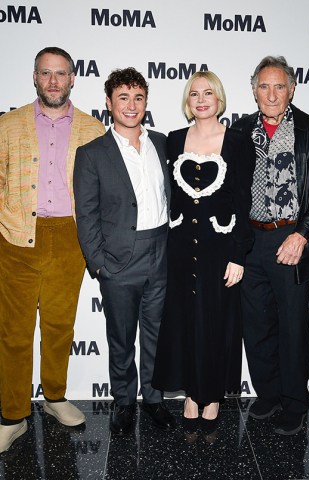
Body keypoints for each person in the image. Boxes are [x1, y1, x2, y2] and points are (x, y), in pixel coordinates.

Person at [0, 46, 105, 453]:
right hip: (16, 238)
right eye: (46, 73)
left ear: (73, 78)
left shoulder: (93, 129)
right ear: (34, 77)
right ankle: (12, 414)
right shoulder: (8, 125)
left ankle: (55, 397)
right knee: (14, 332)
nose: (53, 81)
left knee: (60, 327)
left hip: (69, 239)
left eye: (61, 73)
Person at [152, 71, 255, 432]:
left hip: (220, 249)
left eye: (208, 92)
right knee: (185, 322)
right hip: (180, 248)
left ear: (219, 98)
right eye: (194, 93)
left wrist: (239, 256)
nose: (201, 99)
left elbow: (245, 203)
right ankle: (192, 395)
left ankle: (211, 396)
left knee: (215, 322)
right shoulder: (174, 140)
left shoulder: (239, 141)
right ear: (187, 100)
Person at [73, 67, 175, 435]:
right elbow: (85, 215)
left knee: (156, 334)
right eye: (123, 97)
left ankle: (155, 399)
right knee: (120, 337)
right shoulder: (92, 153)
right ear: (108, 102)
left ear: (146, 102)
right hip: (117, 262)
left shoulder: (164, 143)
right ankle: (123, 401)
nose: (131, 106)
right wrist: (99, 264)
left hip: (160, 253)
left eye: (138, 97)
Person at [232, 56, 309, 435]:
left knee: (291, 327)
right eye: (264, 86)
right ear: (254, 89)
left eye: (279, 86)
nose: (271, 94)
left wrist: (302, 235)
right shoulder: (238, 131)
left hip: (292, 238)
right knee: (256, 326)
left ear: (292, 89)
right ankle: (268, 395)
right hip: (250, 240)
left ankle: (294, 402)